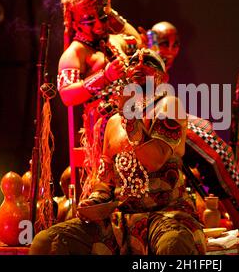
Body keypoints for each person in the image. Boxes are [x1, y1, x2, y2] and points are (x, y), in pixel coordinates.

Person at [30, 48, 206, 254]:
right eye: (133, 62)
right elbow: (106, 180)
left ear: (164, 77)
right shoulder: (114, 122)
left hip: (166, 216)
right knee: (48, 242)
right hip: (120, 222)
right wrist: (95, 200)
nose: (138, 65)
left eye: (148, 62)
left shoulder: (170, 105)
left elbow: (155, 160)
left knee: (173, 246)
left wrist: (130, 118)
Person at [143, 22, 239, 236]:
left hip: (157, 117)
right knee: (211, 149)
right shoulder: (142, 62)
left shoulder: (159, 73)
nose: (170, 51)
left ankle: (235, 212)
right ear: (150, 41)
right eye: (164, 44)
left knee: (208, 133)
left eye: (175, 45)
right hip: (141, 122)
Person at [55, 0, 143, 199]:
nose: (97, 25)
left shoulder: (114, 39)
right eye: (88, 20)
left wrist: (110, 12)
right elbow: (67, 95)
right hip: (105, 127)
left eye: (100, 17)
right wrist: (104, 77)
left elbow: (138, 42)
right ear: (75, 21)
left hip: (136, 117)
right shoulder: (75, 53)